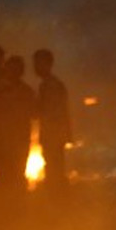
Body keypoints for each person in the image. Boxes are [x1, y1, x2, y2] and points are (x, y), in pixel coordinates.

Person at [0, 56, 36, 193]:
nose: (13, 72)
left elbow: (34, 113)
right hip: (2, 140)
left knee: (16, 175)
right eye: (11, 69)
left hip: (19, 140)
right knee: (3, 175)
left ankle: (16, 207)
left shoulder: (26, 92)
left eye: (17, 69)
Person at [34, 49, 72, 191]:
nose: (35, 67)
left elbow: (50, 111)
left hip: (53, 136)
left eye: (37, 63)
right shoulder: (50, 84)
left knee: (54, 170)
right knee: (55, 168)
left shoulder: (50, 86)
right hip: (54, 136)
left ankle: (57, 202)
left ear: (47, 64)